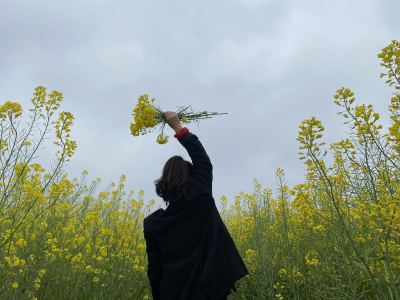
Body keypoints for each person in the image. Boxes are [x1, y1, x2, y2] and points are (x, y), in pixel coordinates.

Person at [143, 111, 249, 300]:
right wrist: (178, 127)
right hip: (208, 292)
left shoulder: (153, 224)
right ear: (191, 179)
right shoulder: (201, 199)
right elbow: (202, 160)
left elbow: (155, 269)